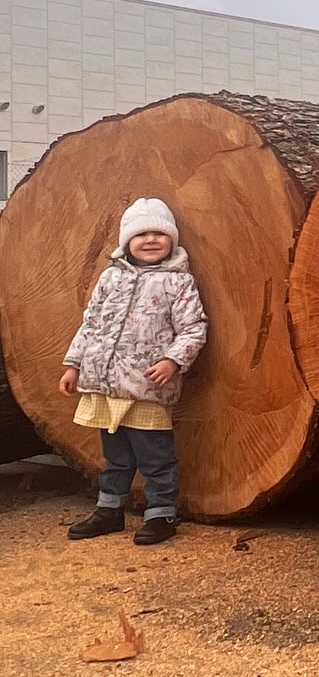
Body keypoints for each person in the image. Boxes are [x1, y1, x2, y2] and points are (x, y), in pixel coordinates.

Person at [61, 197, 209, 546]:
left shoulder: (178, 282)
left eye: (160, 233)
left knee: (156, 456)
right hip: (107, 387)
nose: (152, 240)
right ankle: (109, 509)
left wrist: (173, 360)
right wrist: (73, 364)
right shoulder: (110, 278)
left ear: (172, 239)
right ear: (127, 241)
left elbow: (194, 328)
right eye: (142, 234)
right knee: (115, 457)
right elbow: (91, 324)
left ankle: (161, 513)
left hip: (146, 387)